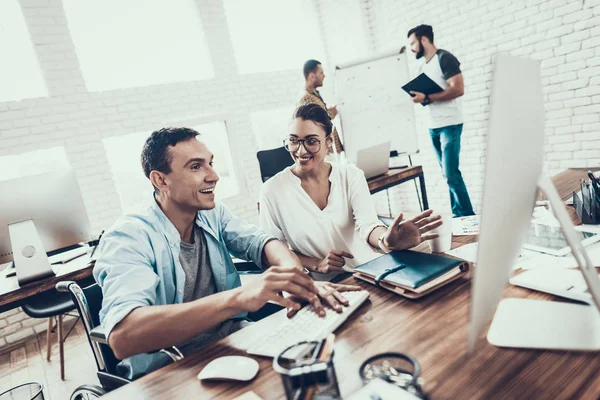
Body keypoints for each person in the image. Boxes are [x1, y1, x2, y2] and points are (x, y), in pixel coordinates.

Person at [93, 127, 360, 379]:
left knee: (323, 365)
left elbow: (264, 243)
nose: (213, 175)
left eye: (210, 163)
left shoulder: (212, 213)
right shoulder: (128, 237)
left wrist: (295, 280)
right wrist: (240, 298)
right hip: (167, 369)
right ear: (160, 179)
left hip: (231, 343)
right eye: (196, 166)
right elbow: (123, 336)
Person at [260, 103, 443, 281]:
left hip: (368, 273)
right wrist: (316, 264)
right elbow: (274, 251)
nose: (301, 150)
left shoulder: (351, 175)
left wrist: (385, 240)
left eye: (311, 141)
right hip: (324, 287)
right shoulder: (272, 191)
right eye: (293, 140)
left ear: (329, 142)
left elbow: (367, 224)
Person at [407, 24, 475, 217]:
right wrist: (420, 96)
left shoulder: (445, 58)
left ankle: (467, 216)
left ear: (424, 40)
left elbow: (458, 89)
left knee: (451, 173)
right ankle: (458, 214)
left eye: (413, 43)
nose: (412, 48)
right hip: (433, 126)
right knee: (448, 175)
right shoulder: (423, 65)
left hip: (450, 124)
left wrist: (427, 98)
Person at [299, 59, 344, 154]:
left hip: (329, 149)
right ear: (312, 76)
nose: (324, 75)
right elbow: (318, 121)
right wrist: (332, 112)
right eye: (321, 73)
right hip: (325, 151)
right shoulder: (306, 98)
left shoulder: (313, 94)